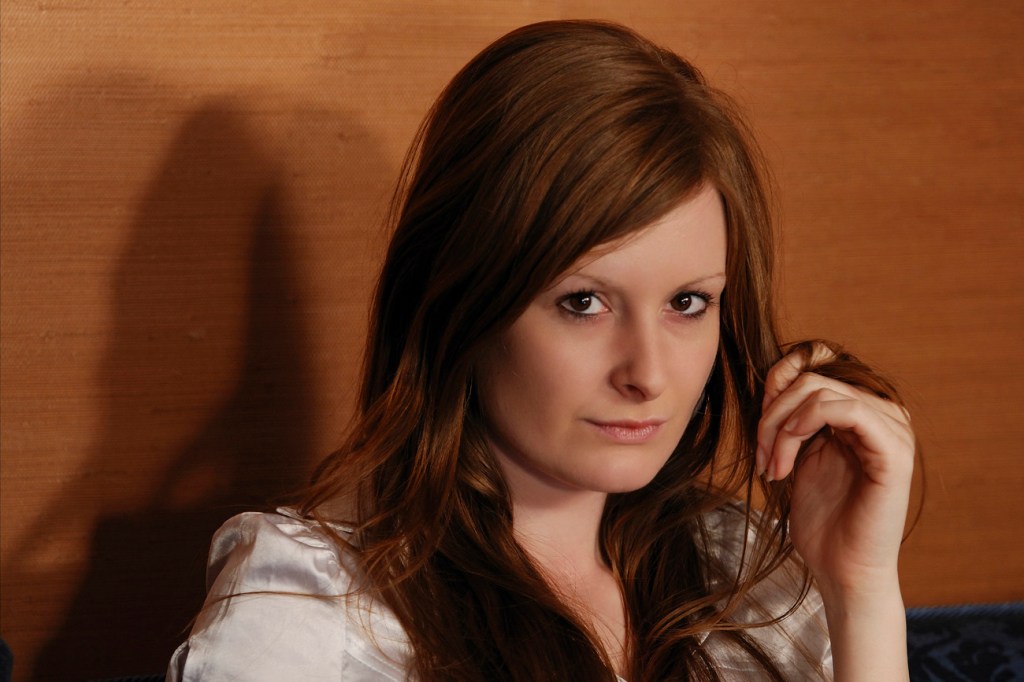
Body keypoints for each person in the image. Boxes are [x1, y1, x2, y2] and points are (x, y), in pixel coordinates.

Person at [168, 19, 915, 681]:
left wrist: (860, 593)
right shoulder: (313, 611)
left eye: (687, 303)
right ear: (467, 300)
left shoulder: (746, 578)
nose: (649, 374)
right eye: (583, 303)